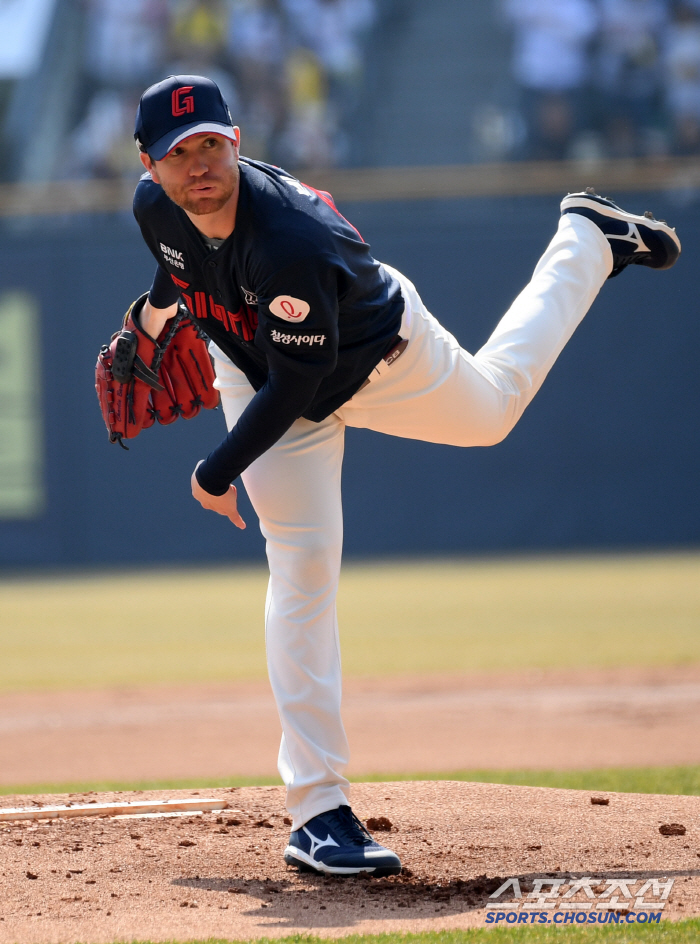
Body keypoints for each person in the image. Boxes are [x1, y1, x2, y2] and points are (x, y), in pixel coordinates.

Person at [128, 74, 680, 876]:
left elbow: (299, 387)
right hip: (258, 365)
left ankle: (587, 239)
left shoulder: (290, 238)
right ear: (149, 168)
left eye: (211, 143)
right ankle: (318, 813)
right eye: (179, 154)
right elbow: (177, 263)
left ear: (237, 141)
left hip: (381, 358)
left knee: (491, 413)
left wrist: (216, 472)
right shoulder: (153, 209)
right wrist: (150, 320)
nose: (198, 165)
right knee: (303, 565)